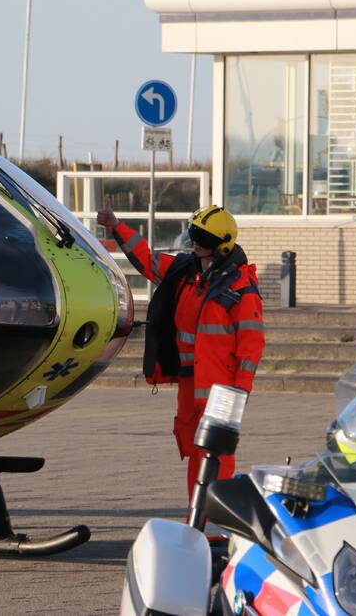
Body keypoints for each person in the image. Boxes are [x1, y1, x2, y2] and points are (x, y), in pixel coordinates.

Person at [96, 201, 264, 500]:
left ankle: (216, 519)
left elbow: (251, 344)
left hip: (223, 390)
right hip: (191, 383)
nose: (196, 242)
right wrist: (115, 225)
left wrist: (240, 390)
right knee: (195, 451)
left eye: (204, 238)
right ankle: (197, 518)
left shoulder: (240, 287)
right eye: (193, 234)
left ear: (222, 245)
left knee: (216, 455)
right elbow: (146, 260)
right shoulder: (184, 270)